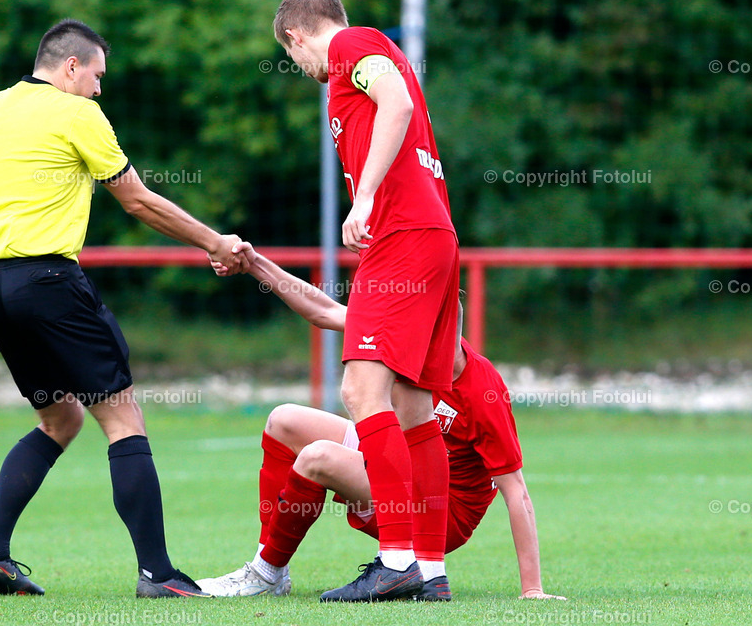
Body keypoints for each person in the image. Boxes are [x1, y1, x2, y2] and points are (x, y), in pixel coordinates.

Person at [0, 19, 248, 598]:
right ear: (71, 66)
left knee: (59, 418)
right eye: (97, 76)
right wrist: (215, 241)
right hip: (51, 281)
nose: (100, 90)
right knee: (122, 417)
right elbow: (137, 200)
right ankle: (158, 575)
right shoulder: (78, 114)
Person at [198, 247, 565, 602]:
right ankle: (272, 572)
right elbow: (323, 310)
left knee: (317, 458)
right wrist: (257, 265)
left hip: (440, 513)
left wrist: (531, 588)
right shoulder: (405, 331)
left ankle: (265, 573)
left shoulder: (482, 390)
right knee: (285, 420)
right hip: (399, 464)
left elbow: (515, 489)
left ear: (444, 326)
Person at [271, 0, 459, 601]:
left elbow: (398, 103)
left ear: (296, 37)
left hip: (403, 235)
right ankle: (428, 570)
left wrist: (368, 196)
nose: (302, 70)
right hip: (432, 237)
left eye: (292, 57)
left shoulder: (353, 45)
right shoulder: (351, 66)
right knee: (412, 406)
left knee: (360, 388)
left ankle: (397, 555)